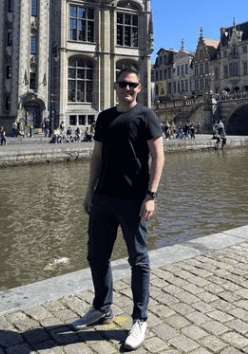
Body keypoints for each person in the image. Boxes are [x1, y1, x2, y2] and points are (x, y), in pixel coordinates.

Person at [71, 68, 164, 352]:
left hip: (133, 199)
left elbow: (159, 156)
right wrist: (89, 191)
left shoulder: (146, 116)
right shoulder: (104, 117)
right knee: (96, 256)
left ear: (139, 89)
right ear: (115, 86)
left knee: (138, 258)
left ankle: (140, 318)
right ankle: (102, 306)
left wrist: (151, 195)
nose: (127, 88)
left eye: (133, 85)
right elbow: (96, 156)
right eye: (123, 83)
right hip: (103, 198)